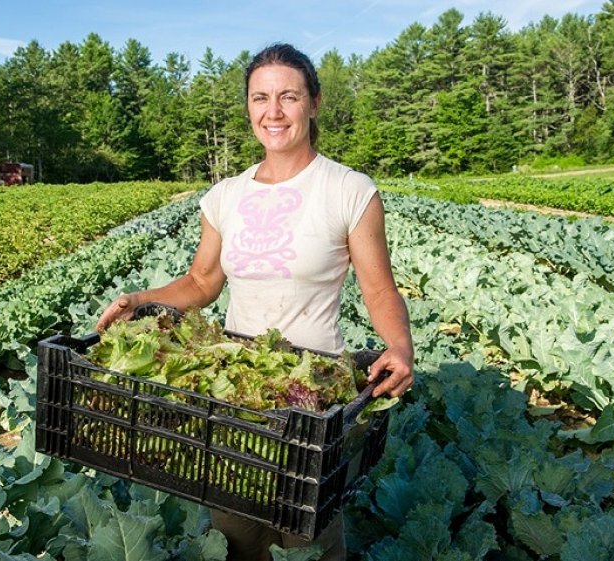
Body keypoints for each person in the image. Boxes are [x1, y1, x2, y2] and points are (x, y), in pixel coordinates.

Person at [96, 42, 414, 561]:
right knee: (237, 536)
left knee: (308, 541)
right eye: (259, 98)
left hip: (314, 400)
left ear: (314, 102)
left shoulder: (349, 190)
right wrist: (141, 300)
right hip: (234, 403)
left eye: (288, 96)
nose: (273, 111)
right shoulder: (225, 195)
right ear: (247, 106)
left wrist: (400, 346)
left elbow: (379, 289)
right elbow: (200, 283)